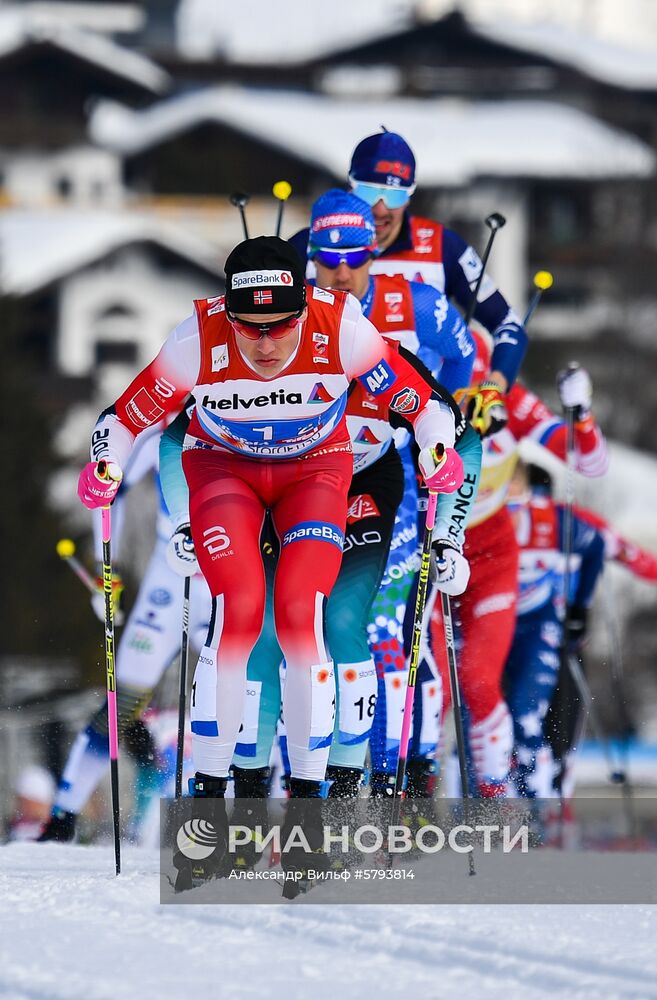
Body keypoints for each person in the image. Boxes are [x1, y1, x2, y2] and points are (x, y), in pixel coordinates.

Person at [76, 236, 464, 821]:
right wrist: (105, 464)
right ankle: (210, 794)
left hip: (314, 470)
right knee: (240, 609)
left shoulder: (342, 329)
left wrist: (438, 448)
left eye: (279, 326)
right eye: (248, 326)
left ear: (303, 307)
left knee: (301, 614)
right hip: (223, 466)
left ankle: (309, 800)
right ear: (227, 313)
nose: (263, 343)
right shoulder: (196, 339)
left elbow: (428, 403)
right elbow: (124, 418)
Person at [195, 191, 481, 802]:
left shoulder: (379, 334)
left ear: (375, 253)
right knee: (266, 630)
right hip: (277, 485)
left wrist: (450, 530)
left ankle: (354, 791)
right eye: (327, 261)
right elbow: (182, 432)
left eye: (355, 257)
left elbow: (459, 425)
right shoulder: (264, 337)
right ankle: (250, 788)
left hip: (367, 487)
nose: (342, 272)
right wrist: (181, 519)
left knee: (349, 626)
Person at [422, 336, 609, 796]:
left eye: (487, 376)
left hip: (489, 555)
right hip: (425, 551)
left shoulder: (509, 399)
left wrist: (580, 412)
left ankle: (494, 801)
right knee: (431, 689)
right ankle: (415, 796)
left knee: (480, 682)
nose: (481, 388)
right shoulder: (419, 386)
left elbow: (589, 462)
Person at [290, 129, 528, 436]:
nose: (379, 208)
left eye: (394, 195)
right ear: (350, 186)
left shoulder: (441, 245)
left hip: (416, 424)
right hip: (325, 423)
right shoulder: (311, 242)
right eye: (367, 192)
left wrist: (493, 386)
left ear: (410, 195)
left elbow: (507, 324)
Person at [39, 426, 212, 842]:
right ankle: (62, 819)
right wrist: (106, 574)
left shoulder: (253, 417)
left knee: (243, 698)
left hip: (228, 582)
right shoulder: (160, 436)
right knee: (122, 703)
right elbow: (109, 492)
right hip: (166, 586)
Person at [504, 462, 657, 802]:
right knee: (521, 713)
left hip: (560, 632)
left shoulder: (567, 520)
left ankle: (552, 793)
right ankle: (523, 792)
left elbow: (633, 558)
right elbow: (639, 560)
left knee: (551, 714)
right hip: (520, 629)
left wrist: (580, 606)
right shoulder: (506, 517)